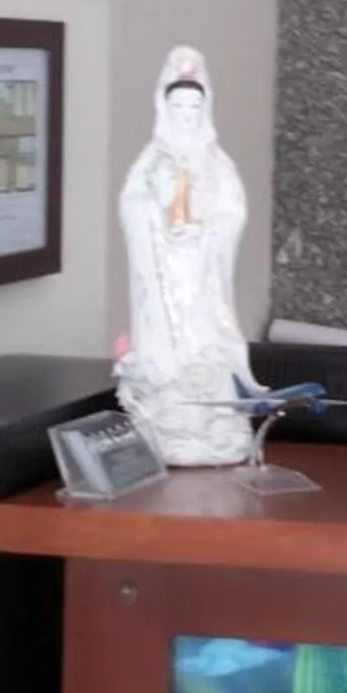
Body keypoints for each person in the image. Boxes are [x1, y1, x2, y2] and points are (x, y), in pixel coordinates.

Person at [118, 45, 255, 466]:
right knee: (164, 346)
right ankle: (168, 423)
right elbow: (131, 204)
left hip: (201, 267)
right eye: (178, 105)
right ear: (164, 105)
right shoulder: (151, 160)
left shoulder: (217, 163)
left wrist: (207, 231)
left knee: (206, 336)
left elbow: (235, 210)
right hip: (162, 270)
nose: (186, 115)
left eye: (194, 106)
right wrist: (156, 217)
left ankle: (213, 424)